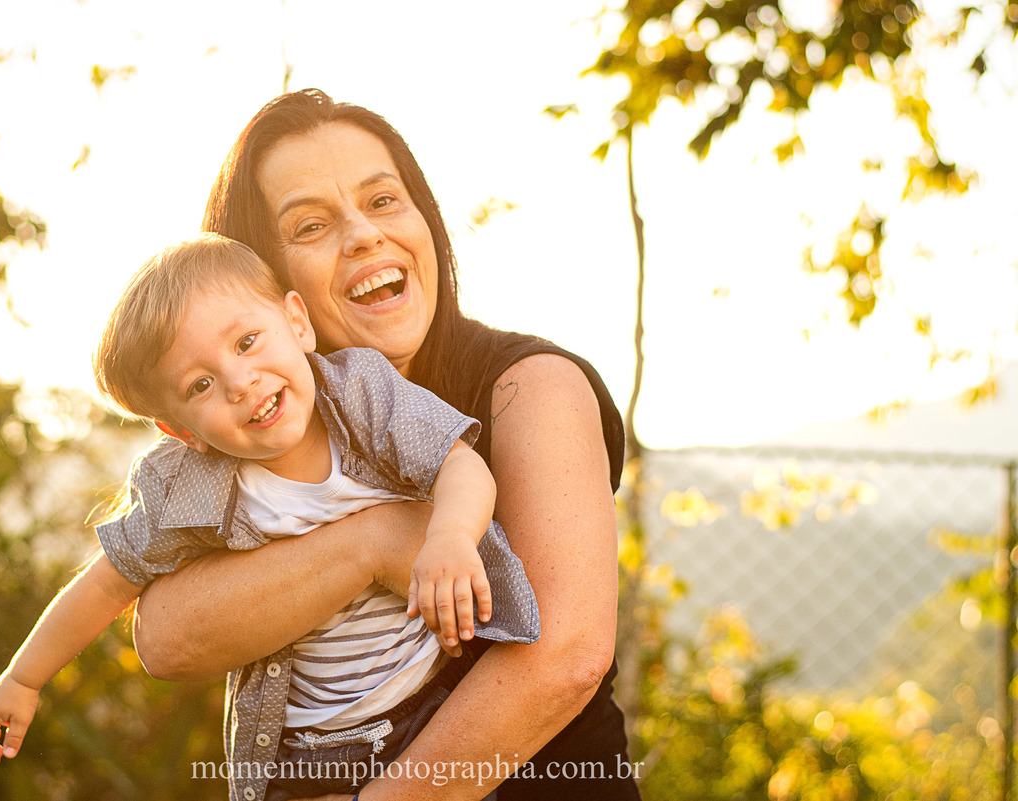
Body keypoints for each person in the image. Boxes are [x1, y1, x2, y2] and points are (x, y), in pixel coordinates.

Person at [131, 89, 640, 801]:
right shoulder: (240, 438)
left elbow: (564, 655)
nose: (365, 235)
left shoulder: (531, 385)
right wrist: (372, 544)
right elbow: (166, 637)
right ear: (267, 287)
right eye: (311, 224)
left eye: (383, 200)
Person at [0, 235, 541, 800]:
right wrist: (22, 679)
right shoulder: (190, 488)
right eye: (201, 384)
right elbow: (106, 581)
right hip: (303, 753)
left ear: (297, 322)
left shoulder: (363, 394)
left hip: (431, 707)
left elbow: (459, 464)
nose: (241, 383)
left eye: (246, 341)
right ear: (182, 432)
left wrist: (449, 536)